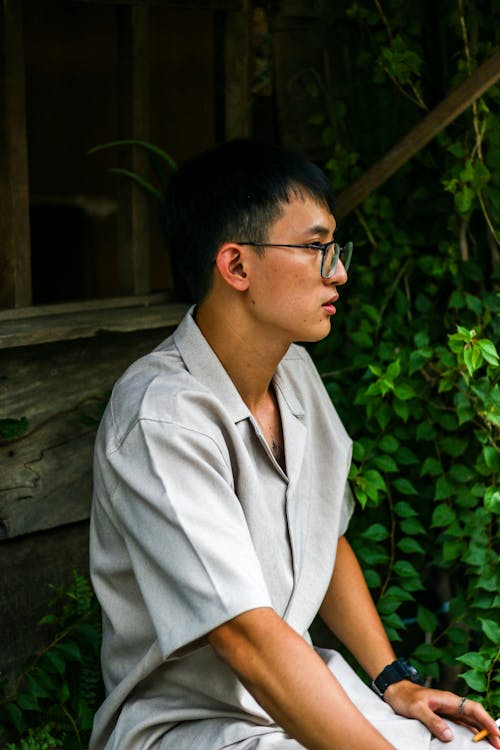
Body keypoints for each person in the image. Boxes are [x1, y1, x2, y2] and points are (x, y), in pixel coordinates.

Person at [89, 139, 500, 750]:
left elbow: (320, 537)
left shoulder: (294, 373)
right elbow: (246, 636)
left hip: (313, 700)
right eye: (315, 248)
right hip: (198, 729)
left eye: (335, 249)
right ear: (236, 266)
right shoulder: (163, 419)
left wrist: (394, 681)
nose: (338, 271)